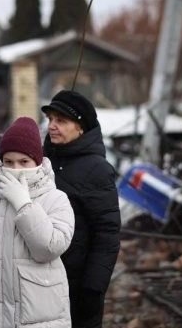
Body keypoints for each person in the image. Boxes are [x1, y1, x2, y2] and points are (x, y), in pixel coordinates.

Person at [0, 117, 74, 328]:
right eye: (9, 162)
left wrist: (24, 204)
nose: (16, 168)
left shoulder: (56, 199)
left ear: (37, 161)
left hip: (43, 320)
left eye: (24, 162)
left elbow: (49, 248)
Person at [40, 90, 121, 328]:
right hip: (39, 281)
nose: (52, 126)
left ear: (81, 128)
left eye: (61, 121)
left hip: (77, 289)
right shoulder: (42, 162)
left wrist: (93, 288)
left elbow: (107, 234)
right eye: (50, 120)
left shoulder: (97, 169)